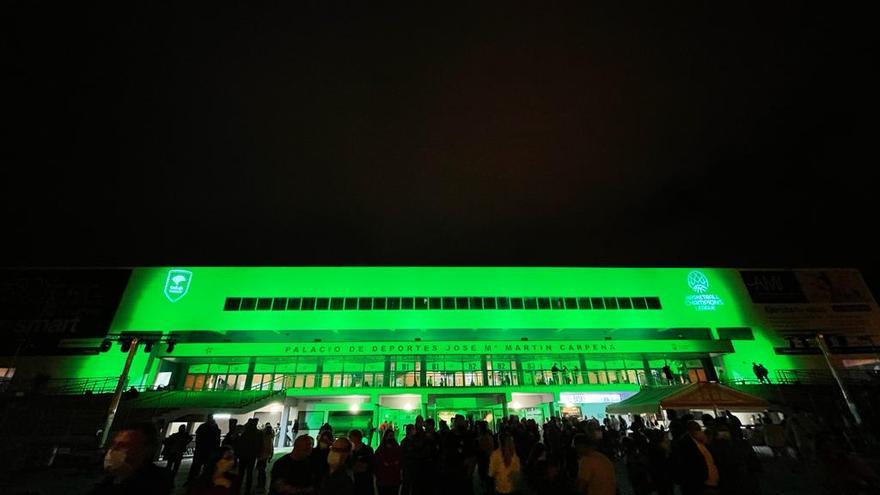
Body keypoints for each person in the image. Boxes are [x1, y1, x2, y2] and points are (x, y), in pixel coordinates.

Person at [87, 423, 173, 495]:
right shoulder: (111, 480)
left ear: (147, 449)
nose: (113, 450)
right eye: (114, 444)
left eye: (124, 445)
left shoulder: (155, 482)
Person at [672, 421, 719, 495]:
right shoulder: (686, 444)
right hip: (702, 483)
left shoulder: (699, 442)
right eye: (697, 429)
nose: (700, 431)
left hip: (706, 481)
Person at [235, 418, 265, 494]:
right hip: (252, 455)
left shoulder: (245, 432)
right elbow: (261, 444)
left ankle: (237, 489)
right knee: (249, 473)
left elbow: (239, 443)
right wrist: (259, 453)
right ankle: (247, 491)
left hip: (243, 455)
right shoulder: (259, 433)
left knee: (241, 473)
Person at [190, 415, 222, 482]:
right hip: (209, 450)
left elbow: (198, 437)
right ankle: (204, 480)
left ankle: (193, 480)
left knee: (197, 466)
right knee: (207, 467)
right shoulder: (214, 427)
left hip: (202, 450)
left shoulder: (203, 426)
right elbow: (217, 439)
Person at [373, 429, 402, 495]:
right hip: (383, 480)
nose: (391, 437)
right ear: (386, 437)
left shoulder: (397, 448)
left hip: (394, 479)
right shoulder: (381, 449)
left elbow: (400, 461)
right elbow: (377, 462)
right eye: (390, 436)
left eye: (392, 436)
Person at [348, 429, 375, 495]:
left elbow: (369, 465)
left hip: (365, 483)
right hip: (354, 484)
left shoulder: (367, 450)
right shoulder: (349, 451)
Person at [257, 422, 275, 489]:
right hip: (265, 456)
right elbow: (271, 448)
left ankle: (261, 485)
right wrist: (270, 455)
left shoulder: (264, 437)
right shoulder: (269, 438)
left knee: (261, 471)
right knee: (261, 470)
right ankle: (261, 485)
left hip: (262, 456)